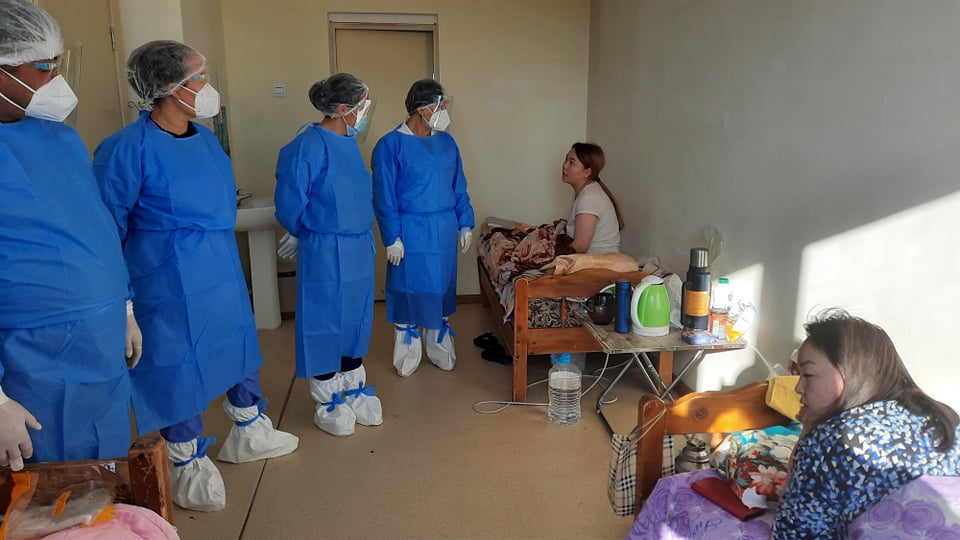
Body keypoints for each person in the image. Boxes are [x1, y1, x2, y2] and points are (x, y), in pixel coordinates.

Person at [93, 40, 298, 512]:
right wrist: (122, 302)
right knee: (178, 366)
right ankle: (186, 462)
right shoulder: (125, 149)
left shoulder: (205, 140)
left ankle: (249, 430)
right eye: (199, 77)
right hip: (167, 280)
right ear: (169, 86)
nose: (208, 87)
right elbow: (106, 232)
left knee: (237, 346)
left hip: (221, 269)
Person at [0, 0, 139, 469]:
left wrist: (122, 305)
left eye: (57, 64)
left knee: (104, 472)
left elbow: (95, 225)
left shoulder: (59, 137)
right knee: (49, 490)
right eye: (42, 67)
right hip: (31, 357)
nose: (55, 79)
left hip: (97, 339)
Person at [773, 309, 960, 539]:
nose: (798, 388)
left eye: (808, 375)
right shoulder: (942, 417)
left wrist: (808, 432)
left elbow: (793, 532)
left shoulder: (830, 439)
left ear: (849, 372)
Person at [274, 73, 383, 438]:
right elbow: (291, 199)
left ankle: (353, 386)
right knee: (324, 320)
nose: (365, 111)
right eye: (362, 105)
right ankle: (328, 398)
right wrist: (300, 230)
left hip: (358, 246)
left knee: (355, 319)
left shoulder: (349, 144)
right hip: (325, 248)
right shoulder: (308, 145)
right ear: (342, 108)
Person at [372, 79, 475, 377]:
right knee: (408, 290)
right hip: (410, 230)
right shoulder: (390, 145)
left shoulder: (447, 143)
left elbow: (458, 186)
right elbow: (384, 196)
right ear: (422, 108)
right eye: (440, 106)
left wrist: (465, 223)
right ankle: (408, 354)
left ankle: (439, 348)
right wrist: (392, 237)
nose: (444, 112)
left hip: (443, 229)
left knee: (440, 289)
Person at [561, 142, 623, 254]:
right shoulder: (585, 193)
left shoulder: (589, 198)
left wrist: (551, 253)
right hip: (593, 259)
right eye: (566, 159)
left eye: (571, 162)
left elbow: (580, 246)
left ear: (587, 172)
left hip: (600, 262)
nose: (564, 165)